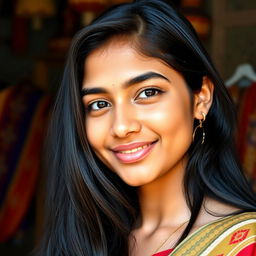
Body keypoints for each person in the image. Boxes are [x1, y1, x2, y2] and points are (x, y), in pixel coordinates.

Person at [37, 0, 256, 255]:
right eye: (98, 104)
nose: (121, 126)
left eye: (147, 92)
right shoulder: (79, 241)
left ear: (201, 98)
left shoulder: (244, 244)